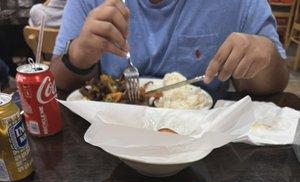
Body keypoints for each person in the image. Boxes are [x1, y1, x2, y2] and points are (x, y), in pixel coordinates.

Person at [51, 0, 289, 95]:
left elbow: (276, 83)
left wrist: (262, 55)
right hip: (106, 142)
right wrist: (78, 57)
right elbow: (58, 81)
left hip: (207, 145)